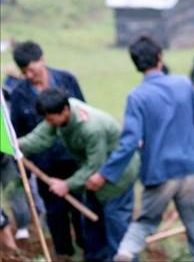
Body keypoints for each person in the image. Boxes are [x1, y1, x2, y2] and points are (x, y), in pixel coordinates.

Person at [86, 36, 194, 262]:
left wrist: (105, 174)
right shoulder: (183, 85)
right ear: (160, 57)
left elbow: (129, 142)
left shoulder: (137, 96)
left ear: (136, 64)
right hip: (193, 169)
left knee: (144, 222)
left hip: (160, 172)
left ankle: (126, 251)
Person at [18, 88, 139, 260]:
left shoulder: (91, 128)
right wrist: (18, 145)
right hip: (91, 179)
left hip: (116, 177)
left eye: (50, 119)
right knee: (92, 229)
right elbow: (41, 138)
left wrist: (66, 185)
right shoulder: (58, 115)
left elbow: (95, 165)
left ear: (65, 111)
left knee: (117, 228)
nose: (48, 123)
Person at [10, 40, 85, 258]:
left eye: (31, 70)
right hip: (45, 166)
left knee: (80, 206)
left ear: (42, 60)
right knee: (55, 212)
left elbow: (83, 110)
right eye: (24, 72)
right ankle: (64, 253)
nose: (28, 75)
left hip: (74, 158)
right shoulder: (19, 94)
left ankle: (86, 248)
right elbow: (18, 132)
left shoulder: (67, 80)